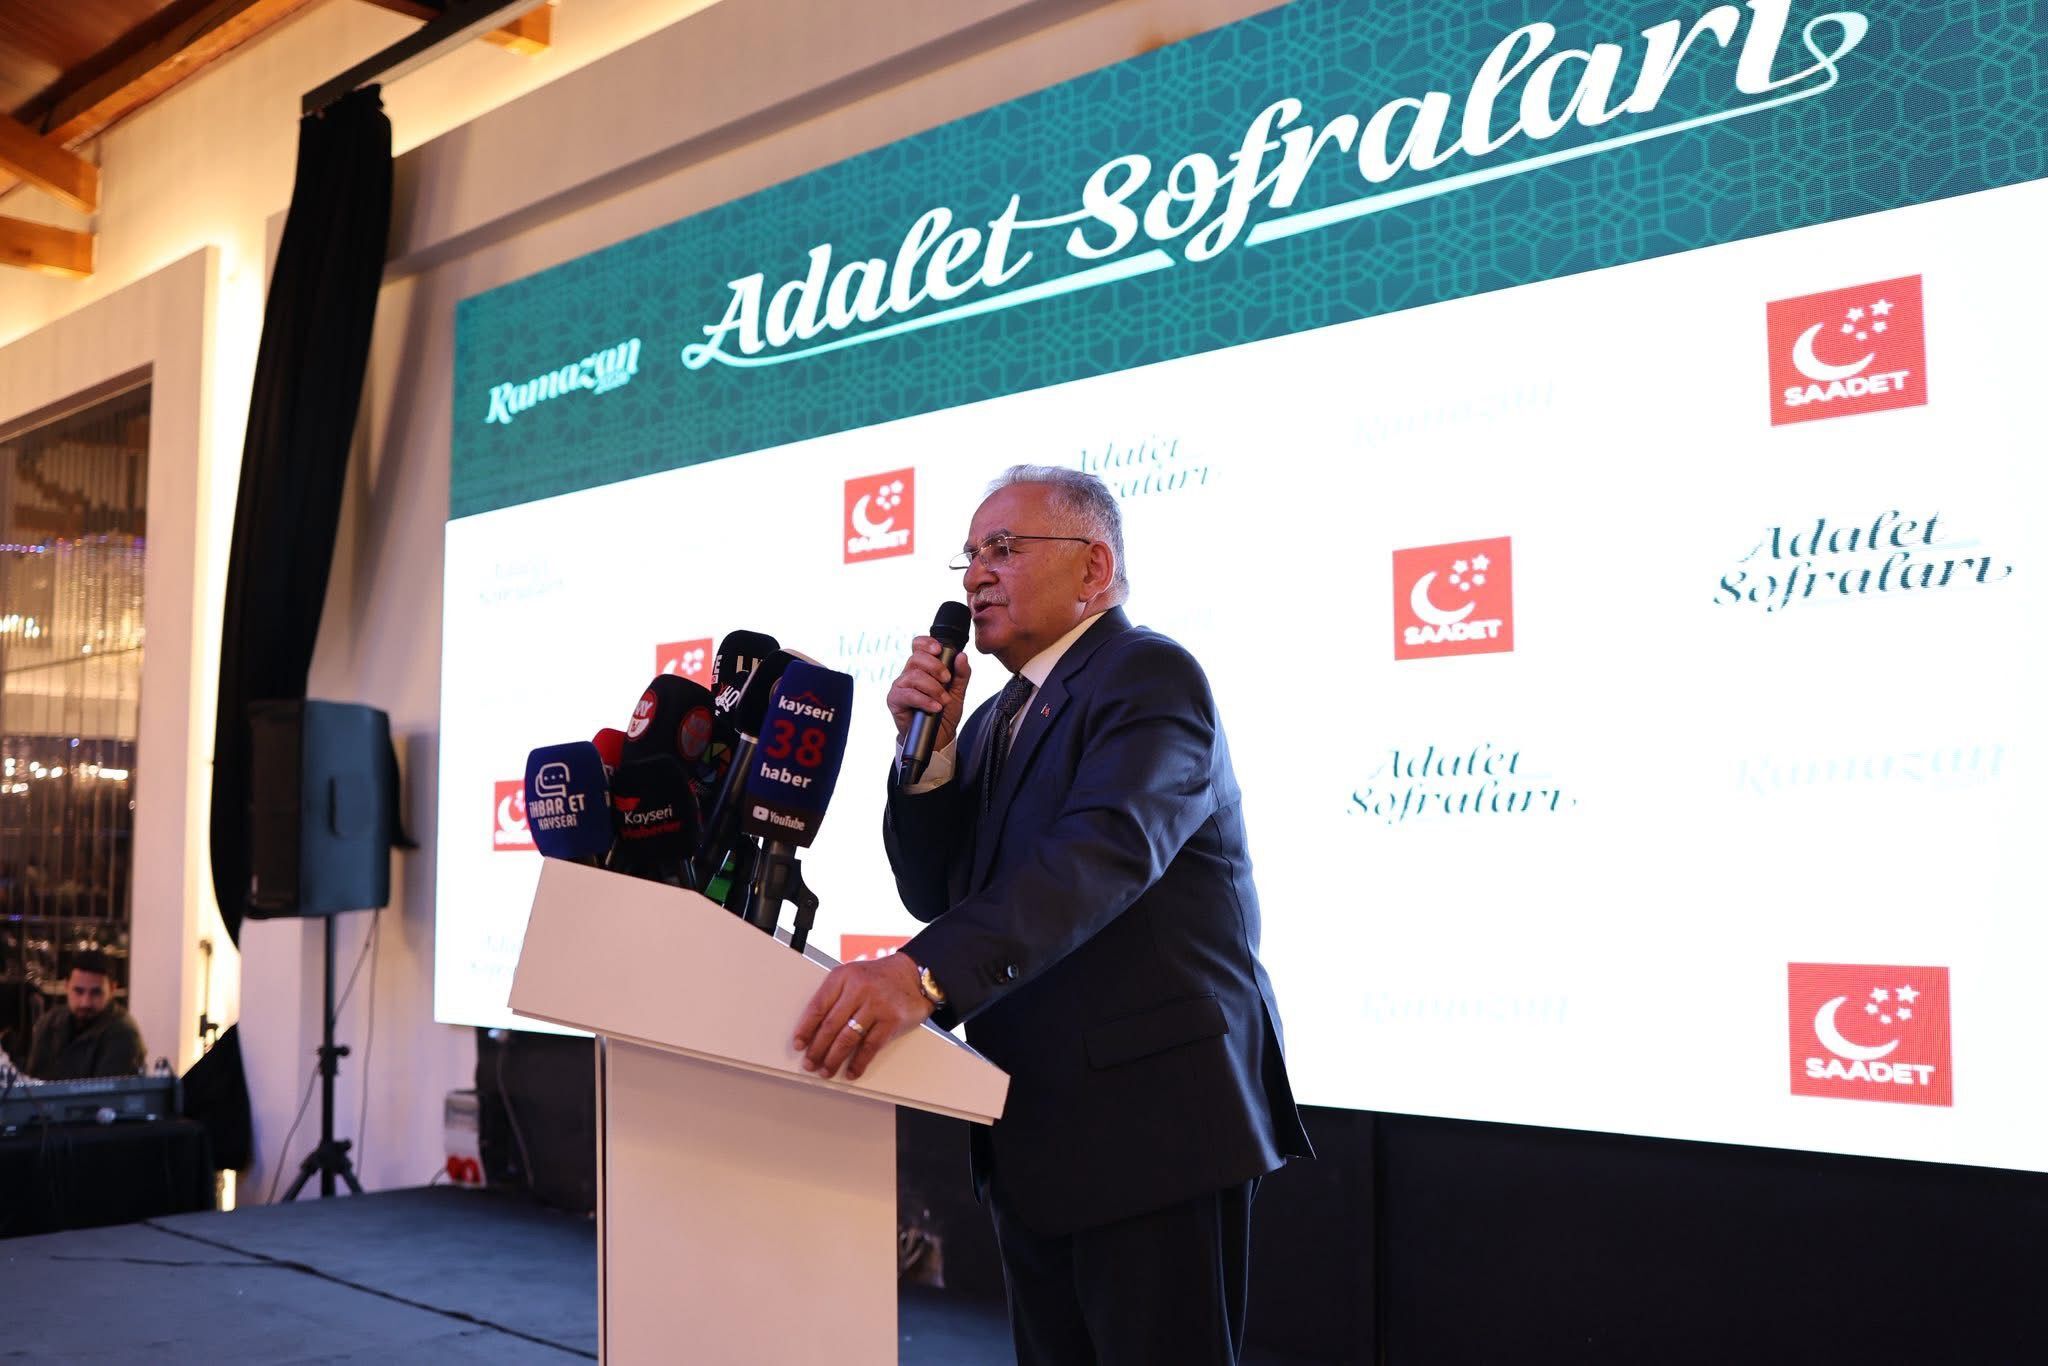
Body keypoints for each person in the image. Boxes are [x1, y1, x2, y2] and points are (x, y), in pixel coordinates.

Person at [793, 465, 1309, 1365]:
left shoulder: (1148, 675)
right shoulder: (995, 718)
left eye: (1004, 548)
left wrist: (921, 977)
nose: (976, 575)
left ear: (1093, 568)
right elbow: (936, 890)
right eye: (969, 555)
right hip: (1037, 1130)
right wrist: (928, 756)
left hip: (1153, 1130)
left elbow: (1103, 853)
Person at [25, 950, 147, 1081]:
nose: (85, 1002)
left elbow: (107, 1091)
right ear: (66, 986)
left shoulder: (124, 1032)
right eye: (78, 991)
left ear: (112, 989)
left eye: (96, 993)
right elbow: (32, 1085)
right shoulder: (50, 1023)